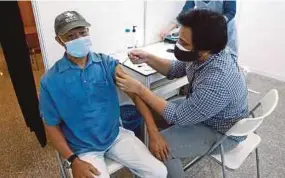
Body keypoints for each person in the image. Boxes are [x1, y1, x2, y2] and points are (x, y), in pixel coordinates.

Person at [116, 9, 248, 178]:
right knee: (152, 113)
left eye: (184, 43)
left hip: (222, 130)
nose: (178, 44)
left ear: (204, 49)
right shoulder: (203, 55)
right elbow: (176, 69)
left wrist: (140, 89)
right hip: (204, 112)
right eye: (178, 37)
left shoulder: (218, 80)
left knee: (162, 147)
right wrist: (148, 58)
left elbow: (179, 117)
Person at [39, 11, 168, 178]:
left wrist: (153, 132)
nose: (79, 39)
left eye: (82, 33)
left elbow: (136, 95)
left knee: (159, 172)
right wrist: (73, 160)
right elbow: (51, 125)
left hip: (115, 136)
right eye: (71, 36)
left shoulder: (106, 64)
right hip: (82, 148)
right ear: (59, 40)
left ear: (88, 32)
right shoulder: (50, 81)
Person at [160, 0, 237, 55]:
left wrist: (214, 25)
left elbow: (231, 12)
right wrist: (168, 29)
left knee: (225, 58)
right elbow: (185, 12)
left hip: (225, 31)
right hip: (207, 33)